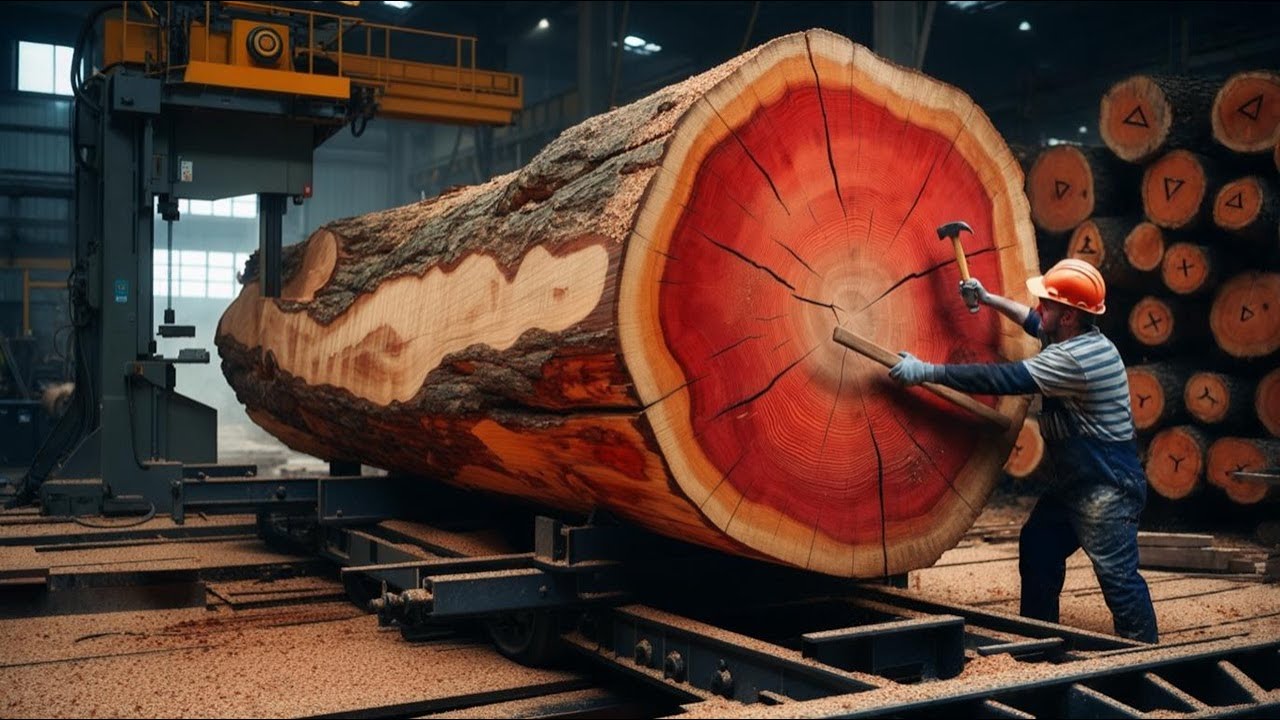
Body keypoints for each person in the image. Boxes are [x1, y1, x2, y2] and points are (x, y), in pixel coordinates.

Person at [888, 259, 1158, 643]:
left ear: (1068, 316)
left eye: (1047, 303)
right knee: (1039, 545)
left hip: (1106, 485)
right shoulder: (1070, 335)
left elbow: (1006, 378)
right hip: (1077, 480)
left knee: (1117, 577)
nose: (1038, 307)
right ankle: (1040, 641)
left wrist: (927, 372)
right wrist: (988, 298)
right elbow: (1033, 322)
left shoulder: (1076, 359)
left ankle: (1145, 653)